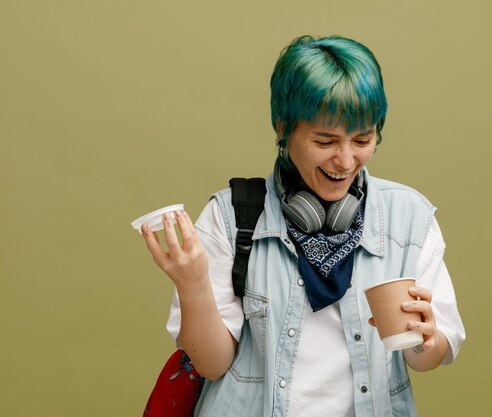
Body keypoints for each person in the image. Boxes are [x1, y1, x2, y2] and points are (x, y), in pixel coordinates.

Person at [141, 35, 465, 417]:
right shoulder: (231, 217)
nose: (345, 161)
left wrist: (427, 340)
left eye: (362, 139)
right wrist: (191, 283)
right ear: (283, 127)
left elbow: (427, 359)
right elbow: (211, 365)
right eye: (325, 141)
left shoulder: (409, 218)